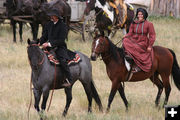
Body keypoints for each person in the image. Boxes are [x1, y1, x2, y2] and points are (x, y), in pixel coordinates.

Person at [39, 8, 72, 87]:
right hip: (49, 48)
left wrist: (49, 44)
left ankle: (69, 79)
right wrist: (39, 42)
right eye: (51, 16)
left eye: (53, 16)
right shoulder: (48, 24)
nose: (51, 17)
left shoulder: (63, 26)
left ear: (57, 17)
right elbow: (44, 36)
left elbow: (61, 40)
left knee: (63, 61)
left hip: (60, 47)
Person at [122, 8, 156, 73]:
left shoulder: (149, 24)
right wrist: (125, 36)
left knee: (136, 47)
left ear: (144, 15)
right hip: (134, 40)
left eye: (141, 14)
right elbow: (130, 33)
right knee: (125, 41)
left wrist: (150, 46)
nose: (140, 16)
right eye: (138, 14)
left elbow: (152, 35)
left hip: (143, 41)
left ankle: (138, 65)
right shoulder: (134, 23)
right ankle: (128, 57)